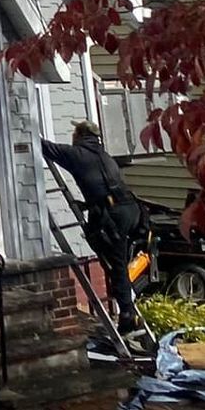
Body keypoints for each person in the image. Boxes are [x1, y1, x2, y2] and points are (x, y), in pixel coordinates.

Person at [45, 122, 147, 330]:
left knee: (116, 264)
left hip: (114, 216)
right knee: (119, 261)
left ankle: (128, 314)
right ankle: (130, 301)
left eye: (74, 132)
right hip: (132, 211)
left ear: (80, 134)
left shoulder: (76, 155)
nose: (72, 135)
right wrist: (88, 205)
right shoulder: (105, 156)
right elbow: (101, 185)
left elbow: (46, 147)